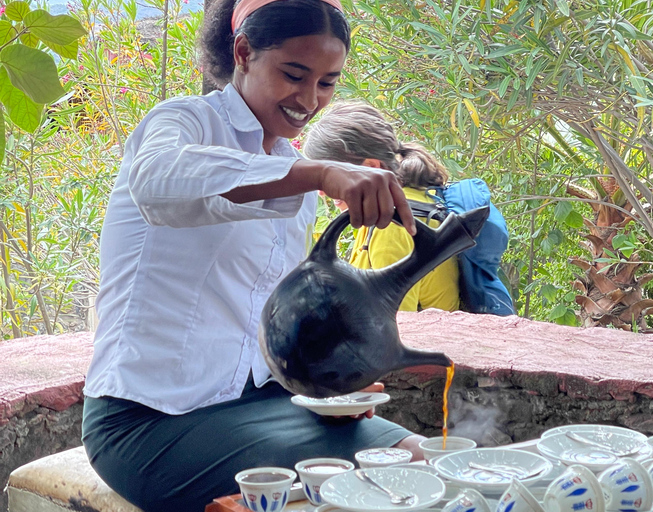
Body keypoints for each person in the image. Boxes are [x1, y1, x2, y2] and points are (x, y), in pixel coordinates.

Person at [80, 1, 424, 511]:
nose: (309, 99)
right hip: (147, 421)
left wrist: (326, 388)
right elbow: (157, 182)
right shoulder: (182, 122)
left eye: (327, 82)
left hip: (266, 403)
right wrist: (320, 173)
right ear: (243, 52)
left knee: (418, 457)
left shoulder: (293, 171)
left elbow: (269, 319)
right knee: (374, 482)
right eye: (294, 74)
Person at [304, 101, 461, 312]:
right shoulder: (408, 198)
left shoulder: (391, 224)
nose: (321, 191)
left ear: (371, 167)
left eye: (329, 177)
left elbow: (397, 326)